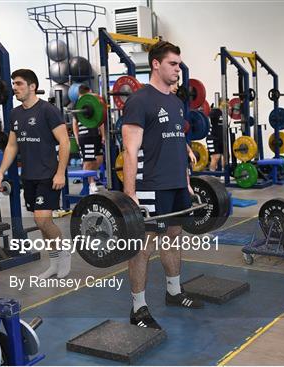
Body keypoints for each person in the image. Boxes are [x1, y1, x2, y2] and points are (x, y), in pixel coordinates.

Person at [121, 41, 201, 329]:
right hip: (150, 185)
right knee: (144, 247)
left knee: (174, 236)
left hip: (176, 185)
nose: (178, 69)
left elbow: (178, 143)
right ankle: (138, 308)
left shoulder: (176, 102)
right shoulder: (140, 101)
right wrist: (130, 194)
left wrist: (186, 180)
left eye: (178, 64)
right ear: (156, 64)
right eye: (173, 64)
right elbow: (130, 150)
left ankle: (174, 291)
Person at [0, 69, 71, 279]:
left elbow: (64, 142)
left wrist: (61, 173)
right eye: (14, 84)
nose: (14, 88)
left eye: (19, 84)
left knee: (42, 221)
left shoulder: (48, 110)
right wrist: (0, 172)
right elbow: (11, 146)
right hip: (28, 176)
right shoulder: (15, 113)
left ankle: (64, 253)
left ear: (32, 86)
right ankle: (54, 263)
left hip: (48, 175)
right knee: (40, 223)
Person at [71, 85, 105, 194]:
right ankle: (91, 184)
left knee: (99, 159)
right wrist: (77, 138)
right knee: (88, 161)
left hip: (95, 135)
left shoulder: (94, 102)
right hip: (85, 137)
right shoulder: (77, 105)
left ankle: (91, 179)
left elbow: (100, 120)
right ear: (89, 91)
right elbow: (74, 124)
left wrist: (103, 135)